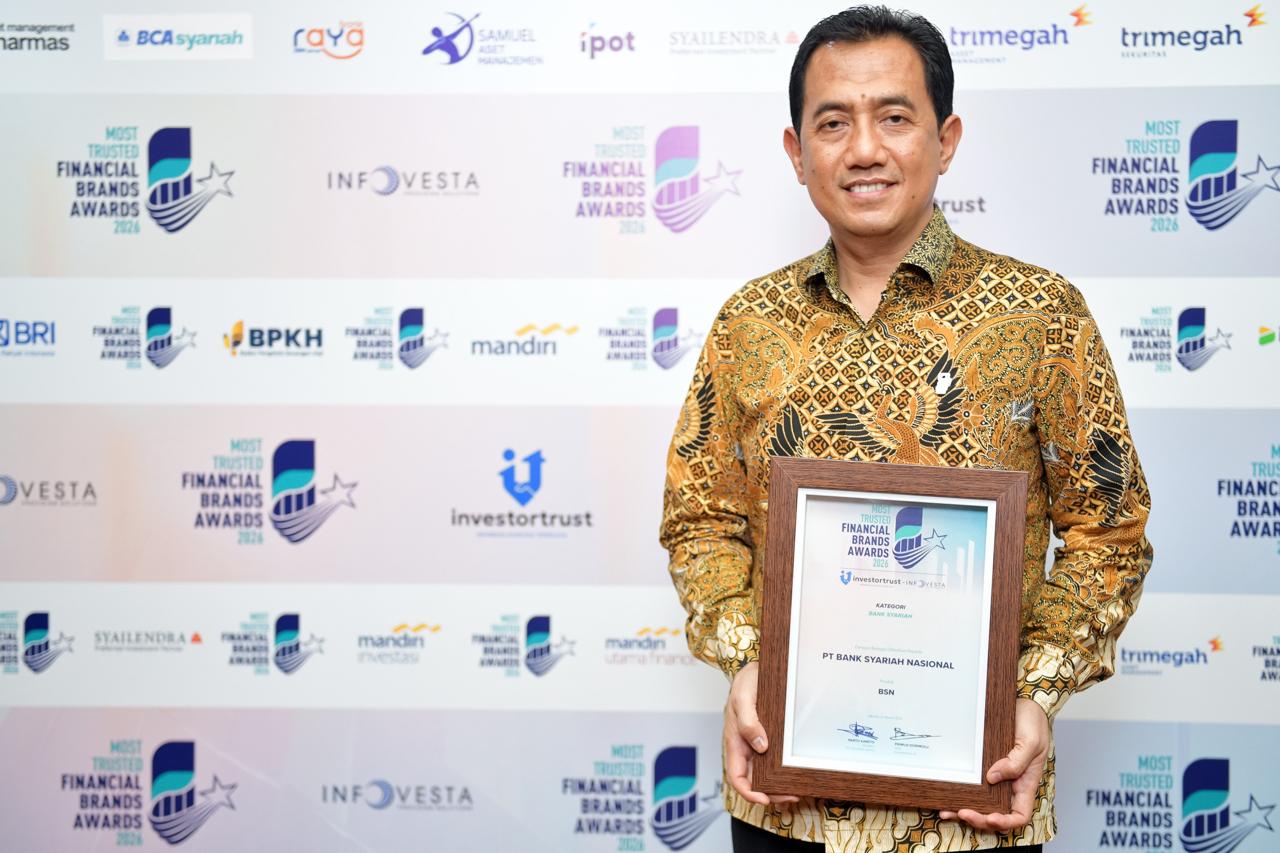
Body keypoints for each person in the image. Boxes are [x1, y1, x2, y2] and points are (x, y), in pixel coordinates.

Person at [659, 6, 1153, 852]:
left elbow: (1109, 529)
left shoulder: (1042, 315)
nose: (864, 149)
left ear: (945, 138)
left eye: (894, 117)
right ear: (796, 152)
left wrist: (1034, 694)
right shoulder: (749, 322)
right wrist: (747, 662)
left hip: (977, 807)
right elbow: (700, 519)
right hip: (787, 801)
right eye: (833, 123)